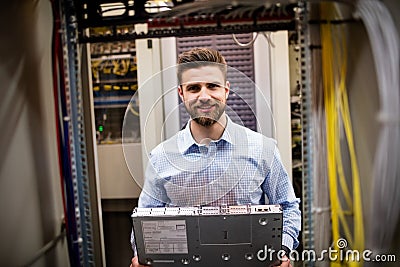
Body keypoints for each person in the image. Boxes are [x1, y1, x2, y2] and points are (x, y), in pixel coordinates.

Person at [130, 47, 301, 267]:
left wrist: (282, 250)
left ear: (226, 90)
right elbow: (144, 221)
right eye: (194, 88)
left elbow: (288, 207)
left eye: (212, 86)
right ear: (181, 94)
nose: (204, 96)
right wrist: (142, 256)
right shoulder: (162, 157)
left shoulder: (262, 149)